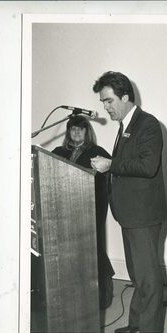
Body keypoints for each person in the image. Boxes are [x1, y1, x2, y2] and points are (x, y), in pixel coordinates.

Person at [90, 71, 167, 333]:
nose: (105, 107)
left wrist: (111, 165)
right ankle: (136, 323)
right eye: (103, 102)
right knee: (137, 275)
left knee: (148, 279)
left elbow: (148, 166)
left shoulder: (147, 124)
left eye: (109, 101)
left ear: (125, 97)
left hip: (143, 215)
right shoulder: (125, 125)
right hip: (129, 214)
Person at [52, 115, 115, 310]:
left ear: (87, 132)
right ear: (68, 132)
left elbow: (111, 167)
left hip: (90, 205)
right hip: (62, 206)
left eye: (81, 129)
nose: (77, 132)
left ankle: (104, 288)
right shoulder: (58, 151)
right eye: (73, 129)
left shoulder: (96, 151)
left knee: (91, 245)